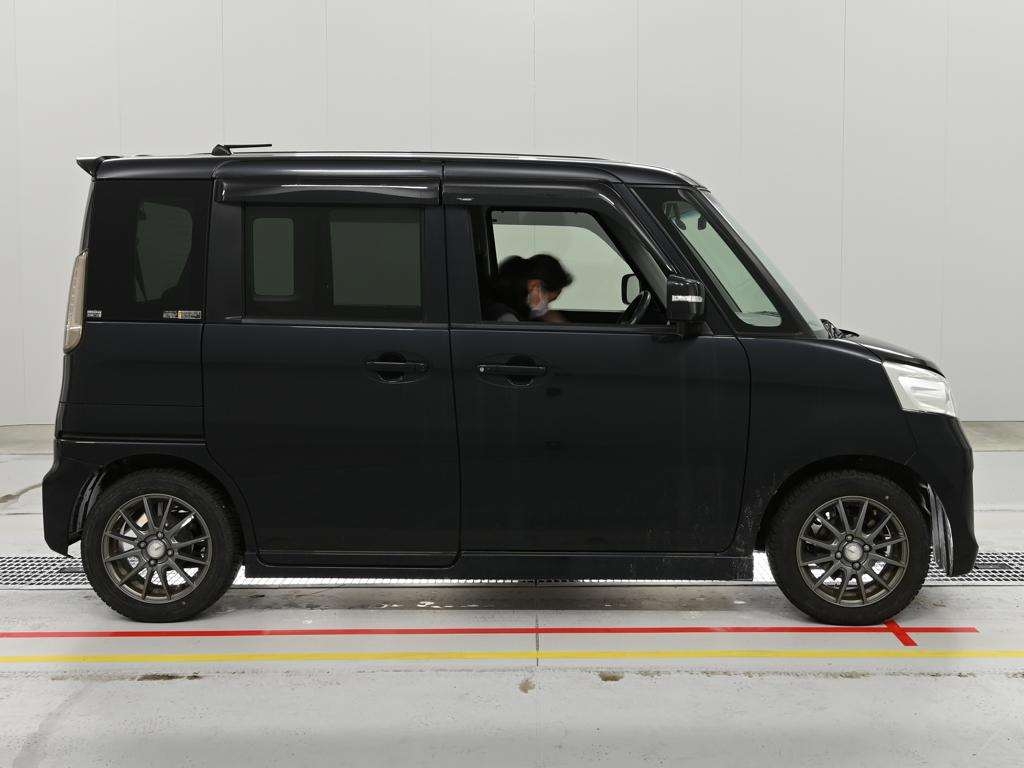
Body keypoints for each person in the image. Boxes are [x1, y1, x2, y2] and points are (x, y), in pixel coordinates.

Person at [483, 254, 573, 323]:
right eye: (547, 301)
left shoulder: (513, 310)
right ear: (534, 286)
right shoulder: (506, 318)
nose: (546, 308)